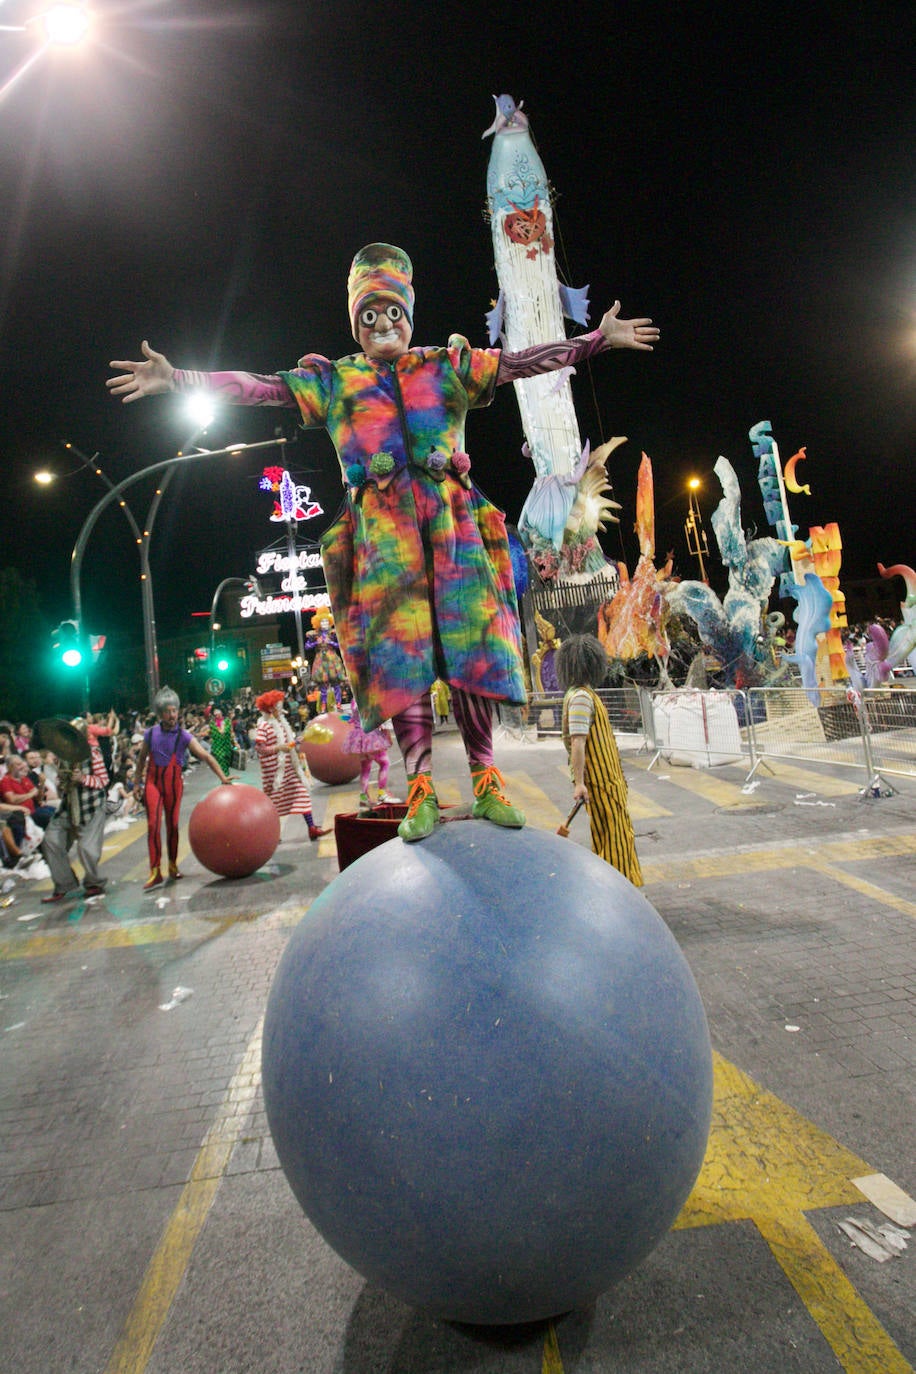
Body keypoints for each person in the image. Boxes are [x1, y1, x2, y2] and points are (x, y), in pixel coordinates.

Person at [108, 242, 658, 842]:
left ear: (409, 314)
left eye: (392, 312)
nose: (382, 325)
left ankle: (487, 779)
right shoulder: (337, 381)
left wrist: (597, 340)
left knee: (473, 652)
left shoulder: (446, 365)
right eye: (368, 316)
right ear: (356, 324)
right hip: (384, 542)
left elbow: (524, 362)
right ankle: (420, 787)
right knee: (403, 664)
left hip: (455, 531)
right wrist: (178, 379)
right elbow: (259, 387)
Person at [554, 634, 643, 886]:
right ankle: (623, 890)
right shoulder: (581, 697)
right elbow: (578, 742)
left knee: (612, 837)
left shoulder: (580, 694)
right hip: (602, 784)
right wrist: (579, 783)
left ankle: (620, 889)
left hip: (608, 782)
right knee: (616, 841)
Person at [135, 686, 233, 891]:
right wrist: (137, 783)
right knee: (153, 825)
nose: (171, 715)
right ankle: (155, 871)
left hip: (173, 785)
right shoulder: (150, 734)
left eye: (174, 711)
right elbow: (141, 759)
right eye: (167, 711)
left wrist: (223, 777)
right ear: (160, 713)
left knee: (172, 826)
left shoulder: (184, 736)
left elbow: (205, 756)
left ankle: (172, 865)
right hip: (153, 783)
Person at [40, 720, 111, 902]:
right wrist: (61, 781)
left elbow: (103, 781)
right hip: (69, 805)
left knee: (87, 849)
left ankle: (94, 883)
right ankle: (64, 883)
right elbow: (62, 783)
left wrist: (83, 778)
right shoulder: (63, 755)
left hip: (91, 806)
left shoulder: (93, 753)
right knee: (51, 840)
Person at [253, 690, 329, 840]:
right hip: (275, 774)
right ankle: (273, 834)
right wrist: (278, 748)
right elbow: (259, 749)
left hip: (289, 770)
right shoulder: (263, 726)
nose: (281, 707)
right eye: (278, 705)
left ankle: (312, 828)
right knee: (273, 805)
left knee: (302, 794)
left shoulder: (282, 722)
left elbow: (287, 744)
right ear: (270, 708)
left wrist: (296, 742)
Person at [343, 704, 400, 812]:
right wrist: (386, 733)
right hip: (371, 736)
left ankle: (364, 798)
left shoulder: (354, 700)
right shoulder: (369, 698)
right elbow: (378, 718)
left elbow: (352, 718)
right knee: (384, 763)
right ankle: (382, 793)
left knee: (365, 768)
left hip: (358, 738)